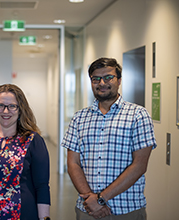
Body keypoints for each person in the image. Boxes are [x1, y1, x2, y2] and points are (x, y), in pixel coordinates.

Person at [61, 57, 157, 220]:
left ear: (119, 80)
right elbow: (73, 163)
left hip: (127, 209)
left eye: (108, 77)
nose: (102, 83)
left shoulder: (138, 115)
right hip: (87, 210)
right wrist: (89, 199)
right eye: (96, 79)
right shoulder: (79, 118)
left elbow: (139, 165)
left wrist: (100, 198)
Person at [0, 84, 51, 220]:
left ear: (20, 109)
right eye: (0, 105)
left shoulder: (33, 141)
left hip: (22, 214)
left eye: (12, 106)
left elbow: (42, 187)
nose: (6, 111)